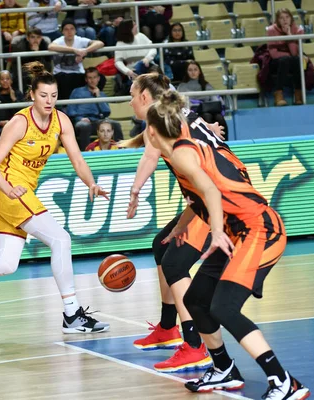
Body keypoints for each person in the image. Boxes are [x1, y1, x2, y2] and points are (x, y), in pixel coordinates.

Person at [145, 90, 310, 399]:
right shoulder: (178, 153)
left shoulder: (183, 153)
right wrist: (179, 229)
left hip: (260, 230)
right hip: (240, 233)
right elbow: (199, 199)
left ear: (151, 132)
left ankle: (284, 381)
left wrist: (217, 231)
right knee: (196, 300)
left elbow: (210, 190)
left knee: (224, 307)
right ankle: (224, 369)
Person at [0, 62, 110, 334]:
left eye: (54, 95)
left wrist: (91, 183)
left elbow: (78, 160)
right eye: (43, 95)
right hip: (9, 189)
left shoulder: (62, 121)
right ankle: (72, 313)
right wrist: (8, 190)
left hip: (20, 192)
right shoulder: (19, 123)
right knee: (61, 239)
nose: (49, 101)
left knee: (5, 264)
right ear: (32, 95)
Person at [123, 73, 226, 373]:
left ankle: (195, 344)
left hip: (216, 200)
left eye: (132, 95)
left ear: (145, 97)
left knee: (175, 264)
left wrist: (134, 191)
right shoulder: (178, 112)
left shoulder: (161, 118)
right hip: (205, 199)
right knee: (162, 245)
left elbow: (150, 157)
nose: (129, 101)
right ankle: (169, 326)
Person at [66, 67, 123, 150]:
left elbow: (107, 112)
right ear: (86, 79)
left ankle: (120, 150)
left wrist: (98, 97)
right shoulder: (77, 91)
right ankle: (85, 153)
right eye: (90, 78)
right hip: (82, 121)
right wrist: (80, 118)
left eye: (95, 77)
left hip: (98, 121)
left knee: (115, 124)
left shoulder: (102, 94)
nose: (92, 80)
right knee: (84, 126)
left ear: (98, 79)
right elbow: (70, 110)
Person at [48, 18, 105, 100]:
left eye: (72, 29)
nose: (69, 32)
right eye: (66, 29)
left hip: (78, 73)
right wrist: (74, 50)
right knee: (64, 79)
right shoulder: (59, 41)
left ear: (75, 30)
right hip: (61, 74)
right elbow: (51, 46)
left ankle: (94, 99)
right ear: (62, 31)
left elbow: (100, 43)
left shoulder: (79, 40)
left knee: (100, 78)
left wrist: (85, 51)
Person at [178, 61, 228, 140]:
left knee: (219, 118)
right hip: (194, 112)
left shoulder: (206, 85)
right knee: (206, 116)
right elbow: (183, 103)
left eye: (195, 69)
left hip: (209, 109)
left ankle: (225, 142)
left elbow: (214, 98)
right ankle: (209, 143)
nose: (193, 72)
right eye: (190, 70)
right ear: (186, 72)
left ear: (199, 71)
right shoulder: (182, 86)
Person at [267, 8, 305, 106]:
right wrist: (288, 56)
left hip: (292, 60)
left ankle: (298, 93)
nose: (285, 20)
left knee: (297, 60)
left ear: (291, 18)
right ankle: (278, 94)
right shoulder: (271, 30)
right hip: (276, 61)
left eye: (287, 17)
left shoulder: (298, 30)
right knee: (286, 60)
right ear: (277, 20)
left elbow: (294, 53)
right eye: (281, 18)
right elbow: (274, 54)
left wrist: (289, 35)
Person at [113, 19, 156, 95]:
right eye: (134, 25)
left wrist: (147, 58)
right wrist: (127, 71)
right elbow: (118, 61)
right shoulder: (120, 43)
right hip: (133, 70)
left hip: (148, 65)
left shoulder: (141, 36)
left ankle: (130, 86)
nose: (136, 26)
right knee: (137, 71)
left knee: (143, 66)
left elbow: (153, 48)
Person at [0, 71, 25, 137]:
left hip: (16, 125)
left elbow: (23, 112)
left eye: (7, 79)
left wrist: (14, 99)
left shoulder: (18, 93)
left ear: (11, 81)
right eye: (2, 79)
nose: (5, 81)